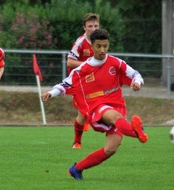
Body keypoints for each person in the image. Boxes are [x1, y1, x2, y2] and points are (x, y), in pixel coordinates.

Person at [41, 29, 148, 180]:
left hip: (118, 106)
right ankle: (137, 132)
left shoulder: (116, 62)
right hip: (96, 108)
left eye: (105, 46)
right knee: (114, 116)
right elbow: (65, 84)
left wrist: (137, 83)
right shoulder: (82, 69)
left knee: (111, 148)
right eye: (99, 46)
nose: (102, 50)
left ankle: (76, 169)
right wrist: (51, 93)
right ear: (92, 46)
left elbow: (135, 74)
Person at [67, 13, 100, 149]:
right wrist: (87, 64)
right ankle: (77, 142)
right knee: (82, 113)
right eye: (90, 26)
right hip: (79, 81)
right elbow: (69, 62)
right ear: (84, 28)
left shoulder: (100, 41)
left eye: (96, 26)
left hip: (94, 80)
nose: (93, 29)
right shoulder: (80, 42)